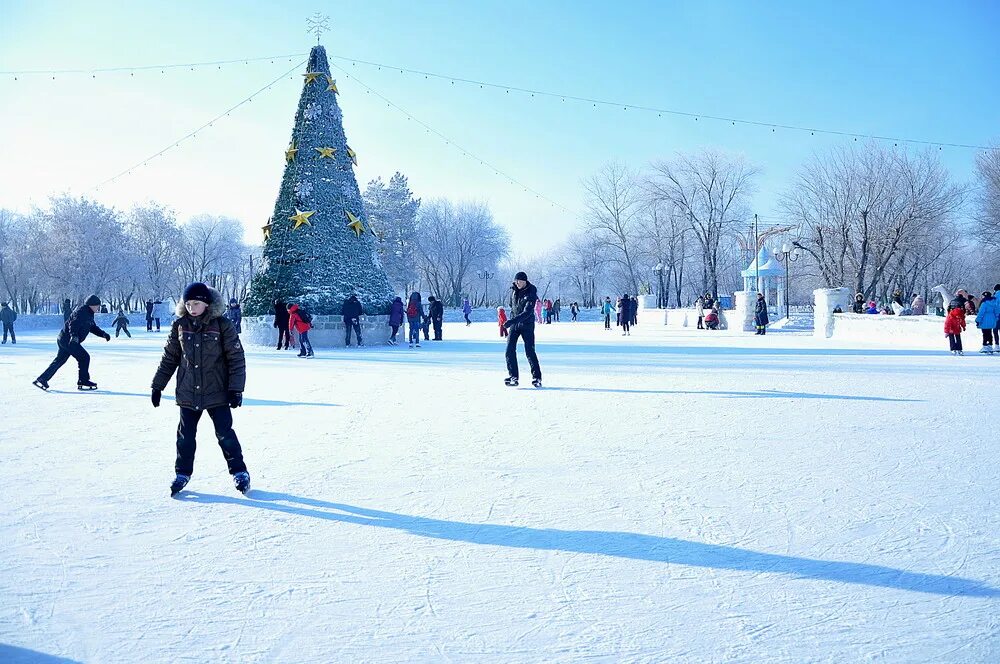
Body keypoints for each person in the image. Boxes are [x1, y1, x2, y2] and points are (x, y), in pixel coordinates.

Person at [151, 282, 250, 496]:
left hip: (217, 391)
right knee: (185, 436)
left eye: (196, 303)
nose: (191, 307)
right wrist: (157, 385)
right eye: (187, 303)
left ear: (206, 303)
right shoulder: (180, 325)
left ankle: (240, 472)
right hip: (188, 391)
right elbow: (170, 357)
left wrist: (236, 389)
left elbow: (236, 358)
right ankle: (182, 473)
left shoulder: (222, 325)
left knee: (225, 434)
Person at [34, 294, 110, 391]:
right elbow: (73, 324)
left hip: (64, 339)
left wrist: (103, 334)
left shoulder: (89, 314)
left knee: (60, 360)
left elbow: (92, 327)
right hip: (69, 340)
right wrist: (74, 336)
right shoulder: (81, 312)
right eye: (97, 306)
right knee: (84, 357)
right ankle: (83, 380)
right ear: (92, 305)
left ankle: (42, 379)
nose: (98, 308)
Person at [503, 271, 542, 388]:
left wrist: (511, 321)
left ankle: (537, 377)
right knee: (509, 350)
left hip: (527, 325)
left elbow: (527, 312)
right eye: (516, 281)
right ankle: (513, 376)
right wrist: (510, 320)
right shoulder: (514, 291)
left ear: (525, 281)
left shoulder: (531, 292)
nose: (517, 283)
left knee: (529, 351)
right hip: (515, 325)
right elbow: (512, 306)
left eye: (520, 281)